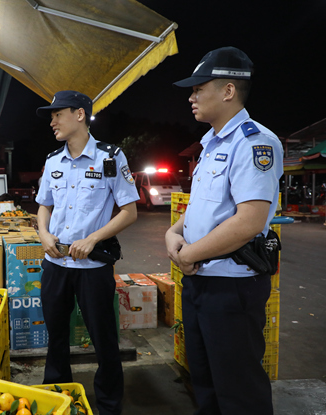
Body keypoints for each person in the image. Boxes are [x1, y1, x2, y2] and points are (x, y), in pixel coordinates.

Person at [165, 47, 283, 414]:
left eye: (200, 87)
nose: (191, 96)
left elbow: (248, 222)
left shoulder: (255, 142)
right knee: (204, 381)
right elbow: (203, 208)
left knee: (238, 389)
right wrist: (173, 233)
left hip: (231, 287)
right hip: (201, 280)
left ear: (228, 91)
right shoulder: (211, 144)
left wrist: (189, 255)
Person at [35, 90, 139, 415]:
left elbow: (129, 211)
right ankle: (59, 397)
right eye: (51, 116)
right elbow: (43, 206)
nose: (52, 121)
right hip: (56, 265)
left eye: (58, 114)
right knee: (56, 337)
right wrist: (43, 233)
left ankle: (108, 404)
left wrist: (93, 238)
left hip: (92, 268)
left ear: (80, 114)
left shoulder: (110, 158)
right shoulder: (53, 160)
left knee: (104, 340)